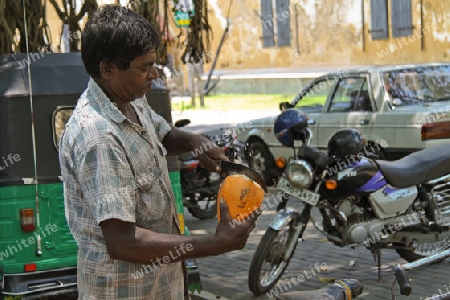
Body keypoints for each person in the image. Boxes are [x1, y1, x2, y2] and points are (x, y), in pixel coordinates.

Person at [58, 5, 260, 300]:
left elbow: (163, 134)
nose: (154, 74)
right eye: (145, 67)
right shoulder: (99, 137)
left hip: (163, 286)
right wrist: (217, 244)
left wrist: (195, 142)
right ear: (108, 69)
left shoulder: (130, 98)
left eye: (154, 64)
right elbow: (122, 243)